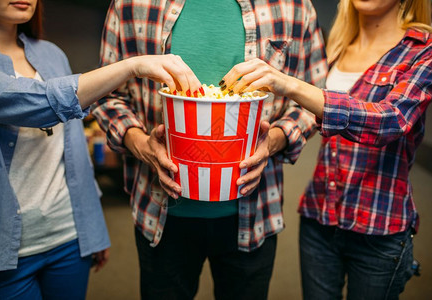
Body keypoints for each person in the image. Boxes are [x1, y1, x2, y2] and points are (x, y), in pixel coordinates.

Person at [92, 0, 327, 299]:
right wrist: (142, 146)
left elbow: (314, 98)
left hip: (254, 215)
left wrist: (274, 140)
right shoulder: (131, 4)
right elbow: (106, 97)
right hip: (161, 211)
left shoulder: (294, 6)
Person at [0, 0, 204, 299]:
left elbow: (74, 149)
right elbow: (37, 103)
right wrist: (133, 65)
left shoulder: (51, 54)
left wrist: (93, 229)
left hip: (68, 238)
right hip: (3, 249)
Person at [221, 0, 432, 298]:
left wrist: (289, 84)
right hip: (320, 218)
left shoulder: (422, 50)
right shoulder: (338, 45)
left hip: (378, 227)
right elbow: (307, 115)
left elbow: (391, 120)